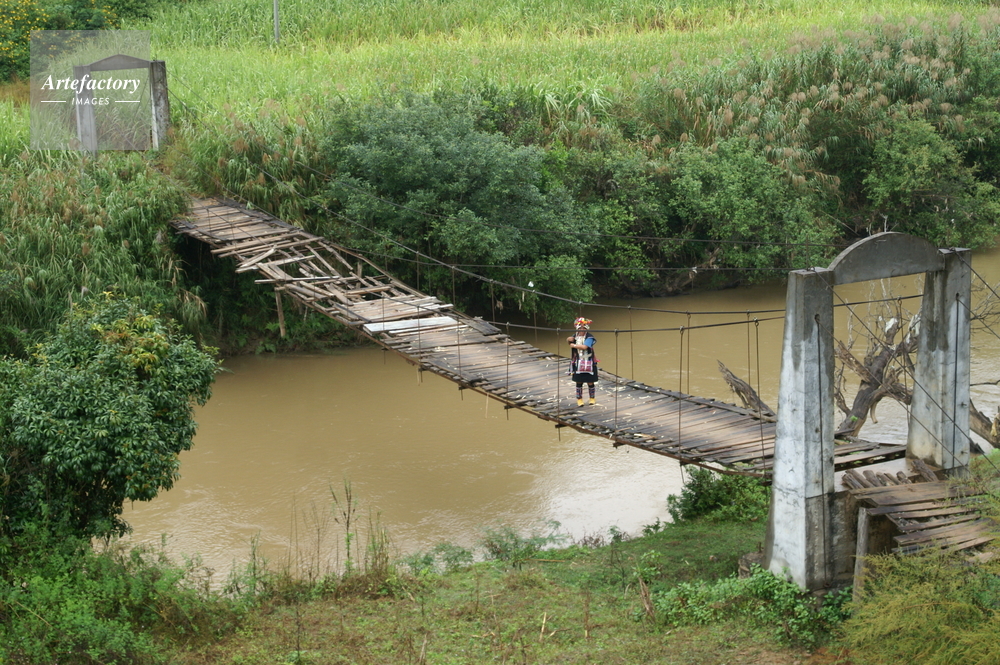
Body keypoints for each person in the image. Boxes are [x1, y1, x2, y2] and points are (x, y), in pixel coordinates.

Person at [567, 317, 598, 406]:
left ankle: (592, 398)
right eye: (580, 328)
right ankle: (579, 399)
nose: (582, 330)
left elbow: (585, 347)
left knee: (590, 381)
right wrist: (568, 340)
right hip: (578, 362)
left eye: (583, 328)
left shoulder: (590, 337)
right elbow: (569, 340)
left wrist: (574, 345)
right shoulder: (575, 336)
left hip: (589, 362)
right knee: (579, 381)